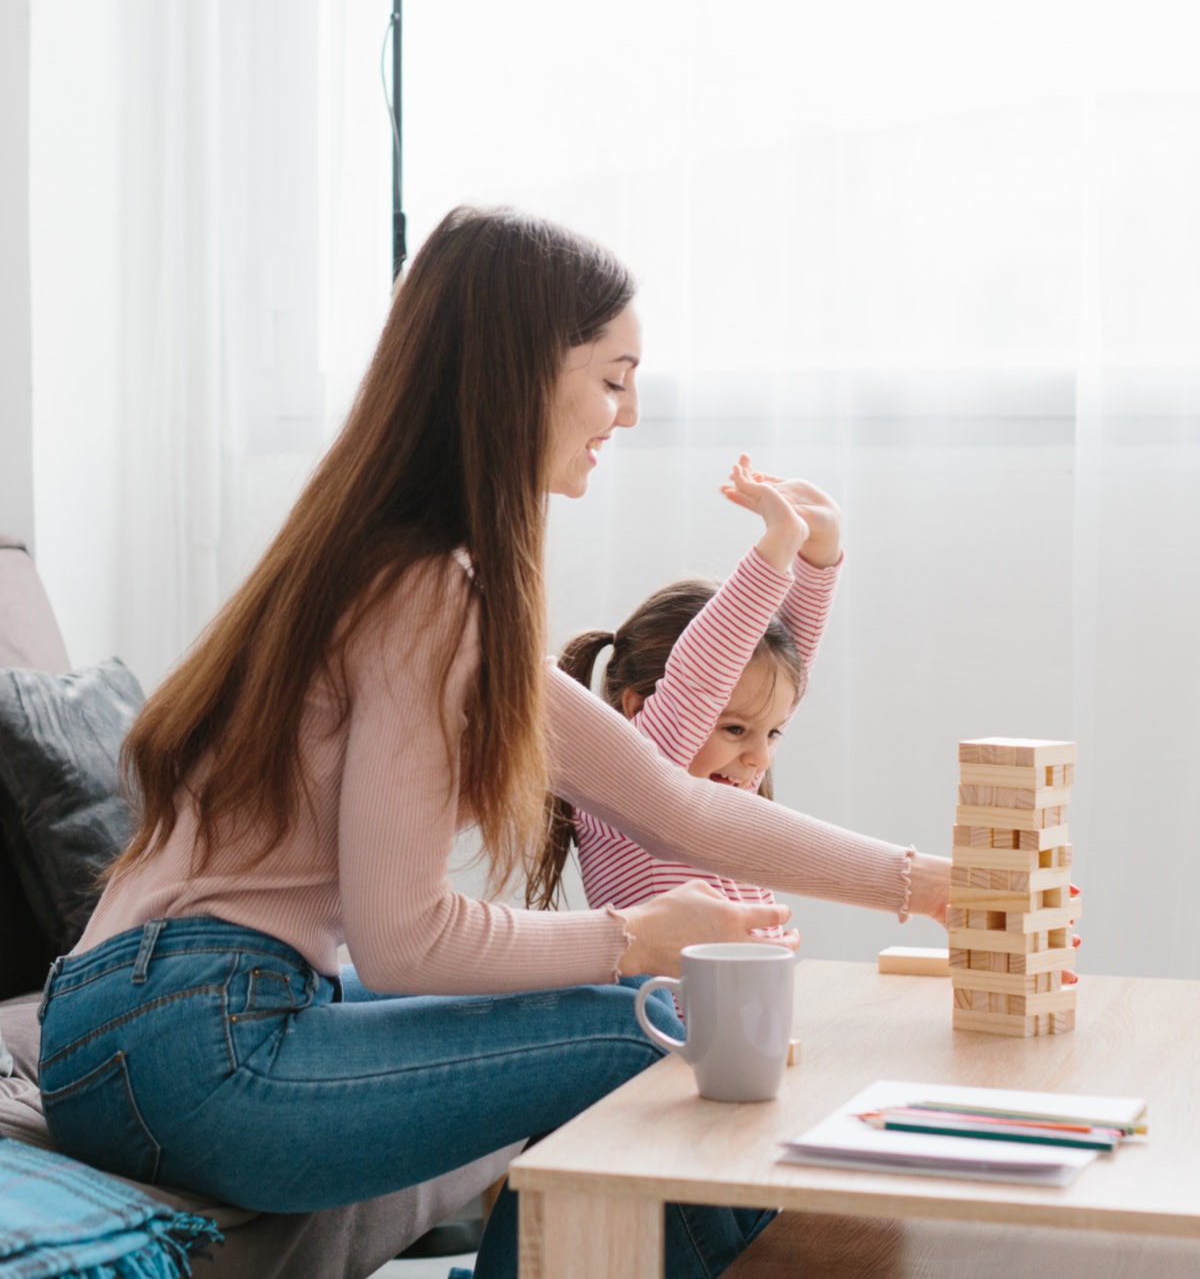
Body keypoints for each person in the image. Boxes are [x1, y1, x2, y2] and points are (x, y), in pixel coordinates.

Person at [37, 207, 950, 1279]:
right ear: (522, 370)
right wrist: (635, 933)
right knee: (654, 1027)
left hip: (133, 1021)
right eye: (613, 378)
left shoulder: (398, 564)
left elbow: (677, 801)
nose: (630, 411)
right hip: (194, 1042)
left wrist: (936, 884)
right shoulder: (429, 592)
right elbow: (406, 939)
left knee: (644, 1009)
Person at [526, 455, 842, 931]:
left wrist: (821, 548)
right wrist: (777, 546)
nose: (760, 758)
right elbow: (702, 679)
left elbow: (782, 676)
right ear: (638, 709)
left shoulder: (721, 783)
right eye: (735, 729)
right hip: (655, 1008)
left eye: (772, 733)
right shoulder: (623, 792)